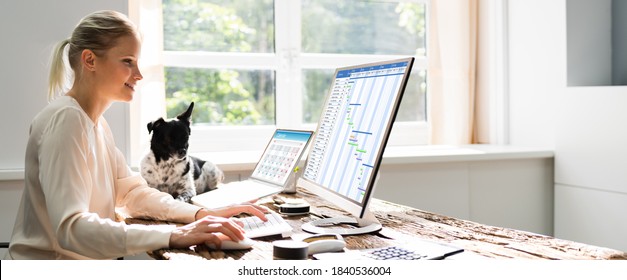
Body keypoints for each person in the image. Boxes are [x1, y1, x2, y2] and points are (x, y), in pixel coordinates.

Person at [4, 10, 268, 260]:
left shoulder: (95, 124)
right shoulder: (66, 120)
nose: (139, 75)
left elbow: (131, 194)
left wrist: (200, 213)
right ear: (89, 60)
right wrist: (174, 235)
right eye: (128, 62)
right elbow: (71, 228)